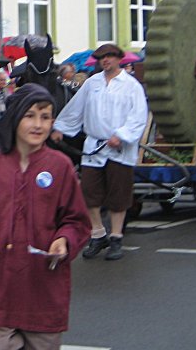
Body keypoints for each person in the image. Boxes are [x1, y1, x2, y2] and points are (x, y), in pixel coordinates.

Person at [0, 84, 91, 350]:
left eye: (46, 117)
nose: (38, 124)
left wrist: (64, 240)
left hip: (44, 285)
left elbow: (77, 221)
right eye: (31, 115)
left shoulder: (60, 167)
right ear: (15, 118)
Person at [51, 43, 148, 261]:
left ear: (118, 59)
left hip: (119, 147)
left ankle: (116, 237)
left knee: (118, 194)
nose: (106, 61)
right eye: (102, 58)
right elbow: (76, 108)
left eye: (110, 57)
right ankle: (98, 233)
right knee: (89, 194)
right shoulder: (92, 83)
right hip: (94, 146)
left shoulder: (131, 86)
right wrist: (61, 128)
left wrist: (121, 135)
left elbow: (138, 115)